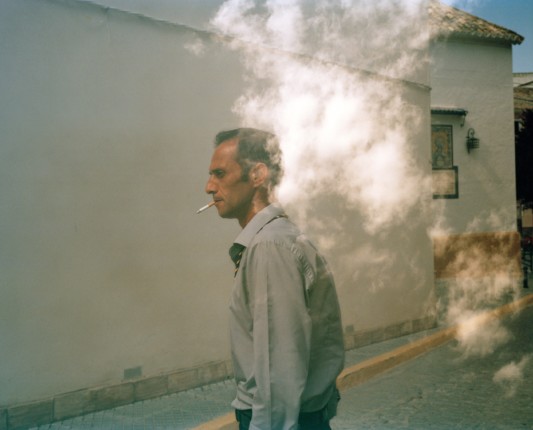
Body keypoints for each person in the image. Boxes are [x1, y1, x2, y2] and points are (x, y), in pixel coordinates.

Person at [205, 127, 345, 430]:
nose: (208, 187)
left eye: (220, 174)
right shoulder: (277, 237)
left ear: (257, 175)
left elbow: (278, 367)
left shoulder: (270, 246)